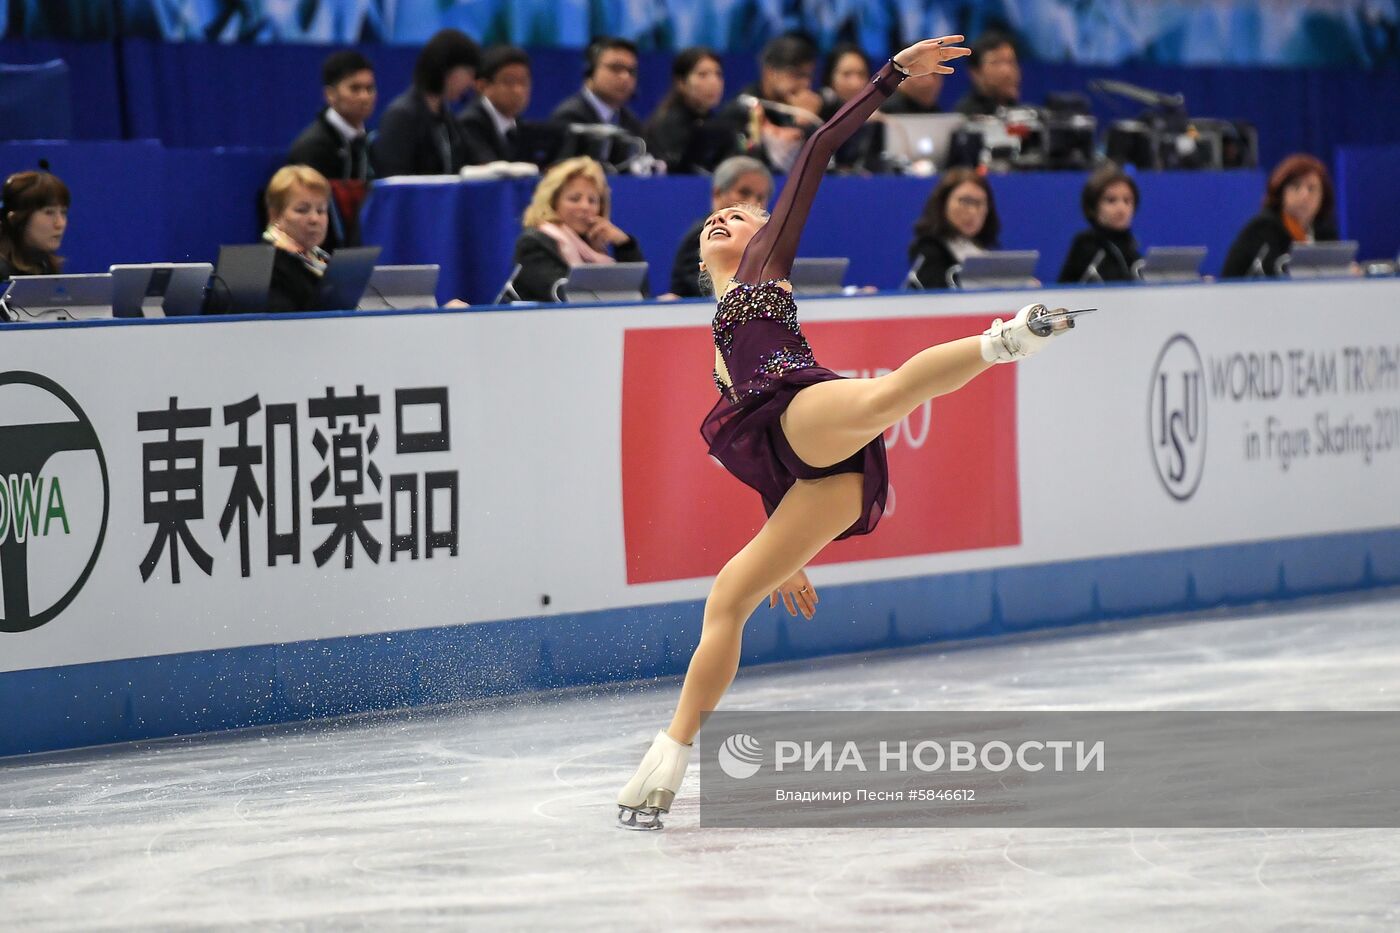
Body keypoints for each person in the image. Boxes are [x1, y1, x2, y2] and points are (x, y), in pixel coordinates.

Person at [616, 36, 1078, 830]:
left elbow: (822, 146)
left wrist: (894, 74)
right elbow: (752, 443)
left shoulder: (765, 262)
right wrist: (781, 534)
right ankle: (670, 755)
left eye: (740, 210)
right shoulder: (716, 330)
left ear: (766, 226)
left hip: (812, 407)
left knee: (879, 398)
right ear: (699, 258)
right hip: (803, 470)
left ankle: (1005, 340)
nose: (723, 218)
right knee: (728, 595)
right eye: (711, 221)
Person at [509, 156, 645, 302]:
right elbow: (563, 296)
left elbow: (638, 298)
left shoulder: (595, 249)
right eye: (574, 199)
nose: (585, 207)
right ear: (553, 202)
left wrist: (624, 245)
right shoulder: (533, 244)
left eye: (592, 200)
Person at [286, 49, 376, 249]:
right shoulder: (312, 148)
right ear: (330, 94)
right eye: (355, 88)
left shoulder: (372, 142)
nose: (364, 96)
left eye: (370, 88)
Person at [370, 28, 481, 177]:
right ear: (447, 69)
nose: (471, 83)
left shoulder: (448, 120)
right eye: (468, 73)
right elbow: (393, 180)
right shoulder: (401, 116)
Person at [665, 155, 774, 298]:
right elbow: (704, 290)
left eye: (760, 197)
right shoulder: (706, 233)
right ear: (717, 193)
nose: (753, 203)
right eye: (744, 192)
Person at [718, 33, 824, 173]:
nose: (805, 84)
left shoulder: (812, 105)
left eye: (808, 76)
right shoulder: (742, 110)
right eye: (796, 75)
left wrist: (809, 123)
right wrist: (801, 123)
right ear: (769, 72)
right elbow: (768, 165)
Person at [1222, 153, 1340, 278]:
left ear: (1323, 197)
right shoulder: (1263, 229)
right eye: (1296, 186)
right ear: (1281, 192)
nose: (1304, 196)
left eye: (1312, 189)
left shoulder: (1325, 233)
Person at [548, 36, 645, 170]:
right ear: (590, 70)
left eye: (631, 71)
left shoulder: (631, 123)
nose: (625, 77)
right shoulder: (569, 118)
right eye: (616, 68)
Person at [644, 47, 739, 175]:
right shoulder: (668, 124)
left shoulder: (718, 123)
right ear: (681, 83)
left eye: (718, 74)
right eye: (702, 75)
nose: (714, 82)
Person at [905, 168, 1002, 289]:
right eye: (965, 201)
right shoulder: (929, 251)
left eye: (980, 203)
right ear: (943, 203)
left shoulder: (983, 253)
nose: (972, 211)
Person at [259, 165, 333, 313]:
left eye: (321, 210)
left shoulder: (322, 260)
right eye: (302, 210)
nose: (314, 219)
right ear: (275, 215)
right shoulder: (266, 266)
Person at [1058, 165, 1142, 283]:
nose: (1121, 208)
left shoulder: (1132, 249)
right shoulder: (1086, 246)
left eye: (1127, 201)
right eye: (1111, 200)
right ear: (1093, 207)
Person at [459, 45, 531, 164]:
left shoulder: (520, 126)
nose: (519, 90)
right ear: (482, 86)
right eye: (509, 82)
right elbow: (490, 171)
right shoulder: (470, 124)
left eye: (524, 82)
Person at [819, 43, 884, 173]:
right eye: (846, 74)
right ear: (830, 78)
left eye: (861, 74)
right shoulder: (817, 112)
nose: (855, 83)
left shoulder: (875, 119)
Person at [0, 170, 68, 282]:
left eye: (63, 212)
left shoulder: (45, 266)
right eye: (49, 212)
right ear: (17, 218)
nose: (60, 223)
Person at [955, 32, 1021, 116]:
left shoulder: (1027, 116)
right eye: (996, 63)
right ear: (975, 72)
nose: (1007, 72)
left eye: (1011, 62)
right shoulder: (965, 118)